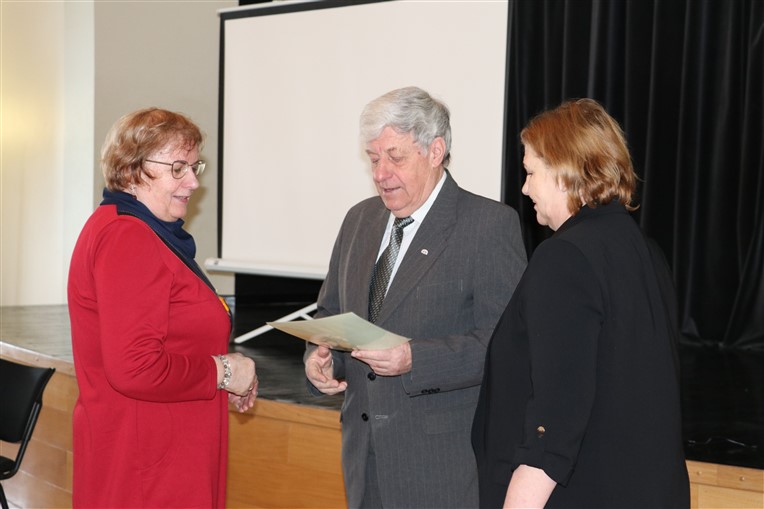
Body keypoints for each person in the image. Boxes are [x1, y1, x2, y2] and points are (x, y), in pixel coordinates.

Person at [304, 86, 527, 508]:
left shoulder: (488, 226)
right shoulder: (359, 220)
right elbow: (331, 313)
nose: (381, 173)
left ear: (435, 151)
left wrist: (415, 359)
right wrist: (322, 361)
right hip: (363, 459)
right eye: (374, 159)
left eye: (395, 157)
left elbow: (506, 345)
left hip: (439, 467)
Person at [472, 98, 690, 508]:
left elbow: (554, 417)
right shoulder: (646, 252)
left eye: (531, 172)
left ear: (564, 172)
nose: (525, 188)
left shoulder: (565, 257)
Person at [67, 107, 258, 508]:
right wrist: (222, 372)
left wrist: (225, 376)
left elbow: (169, 341)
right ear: (132, 170)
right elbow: (135, 368)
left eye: (193, 166)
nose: (193, 182)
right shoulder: (129, 238)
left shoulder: (130, 228)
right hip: (150, 467)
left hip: (152, 452)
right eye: (177, 168)